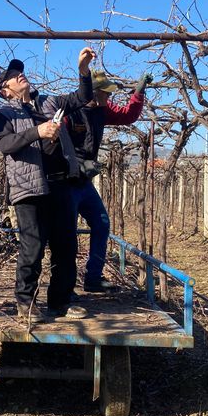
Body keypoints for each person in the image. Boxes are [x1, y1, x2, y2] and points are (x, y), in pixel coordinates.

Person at [0, 47, 95, 322]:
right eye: (13, 75)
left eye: (20, 72)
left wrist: (83, 71)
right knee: (32, 247)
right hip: (29, 190)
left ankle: (60, 302)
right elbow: (5, 144)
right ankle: (25, 304)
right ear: (5, 89)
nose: (20, 75)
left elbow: (83, 97)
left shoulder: (50, 103)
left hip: (61, 185)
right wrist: (37, 131)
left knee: (65, 246)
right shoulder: (4, 114)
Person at [66, 71, 151, 292]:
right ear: (93, 92)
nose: (109, 97)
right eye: (106, 93)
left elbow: (128, 115)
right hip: (65, 183)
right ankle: (65, 286)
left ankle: (93, 278)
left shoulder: (103, 110)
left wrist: (138, 93)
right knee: (67, 234)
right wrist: (75, 163)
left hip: (84, 184)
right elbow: (53, 144)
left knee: (102, 224)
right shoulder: (69, 110)